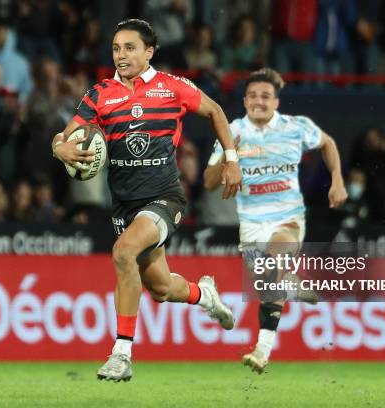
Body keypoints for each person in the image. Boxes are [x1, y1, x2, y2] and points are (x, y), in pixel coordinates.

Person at [51, 19, 242, 382]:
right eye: (116, 49)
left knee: (123, 253)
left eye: (129, 48)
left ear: (149, 51)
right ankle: (206, 296)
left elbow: (216, 112)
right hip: (124, 204)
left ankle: (121, 354)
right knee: (159, 287)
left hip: (164, 197)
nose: (121, 55)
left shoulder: (172, 88)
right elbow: (67, 134)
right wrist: (61, 147)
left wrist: (231, 160)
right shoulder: (100, 94)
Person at [203, 68, 347, 374]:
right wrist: (230, 157)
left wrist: (337, 180)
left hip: (287, 218)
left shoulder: (296, 127)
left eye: (265, 96)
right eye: (253, 95)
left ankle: (262, 350)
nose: (259, 101)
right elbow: (208, 182)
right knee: (268, 282)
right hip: (251, 223)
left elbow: (329, 143)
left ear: (276, 102)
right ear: (244, 101)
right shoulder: (232, 131)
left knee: (272, 267)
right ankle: (291, 286)